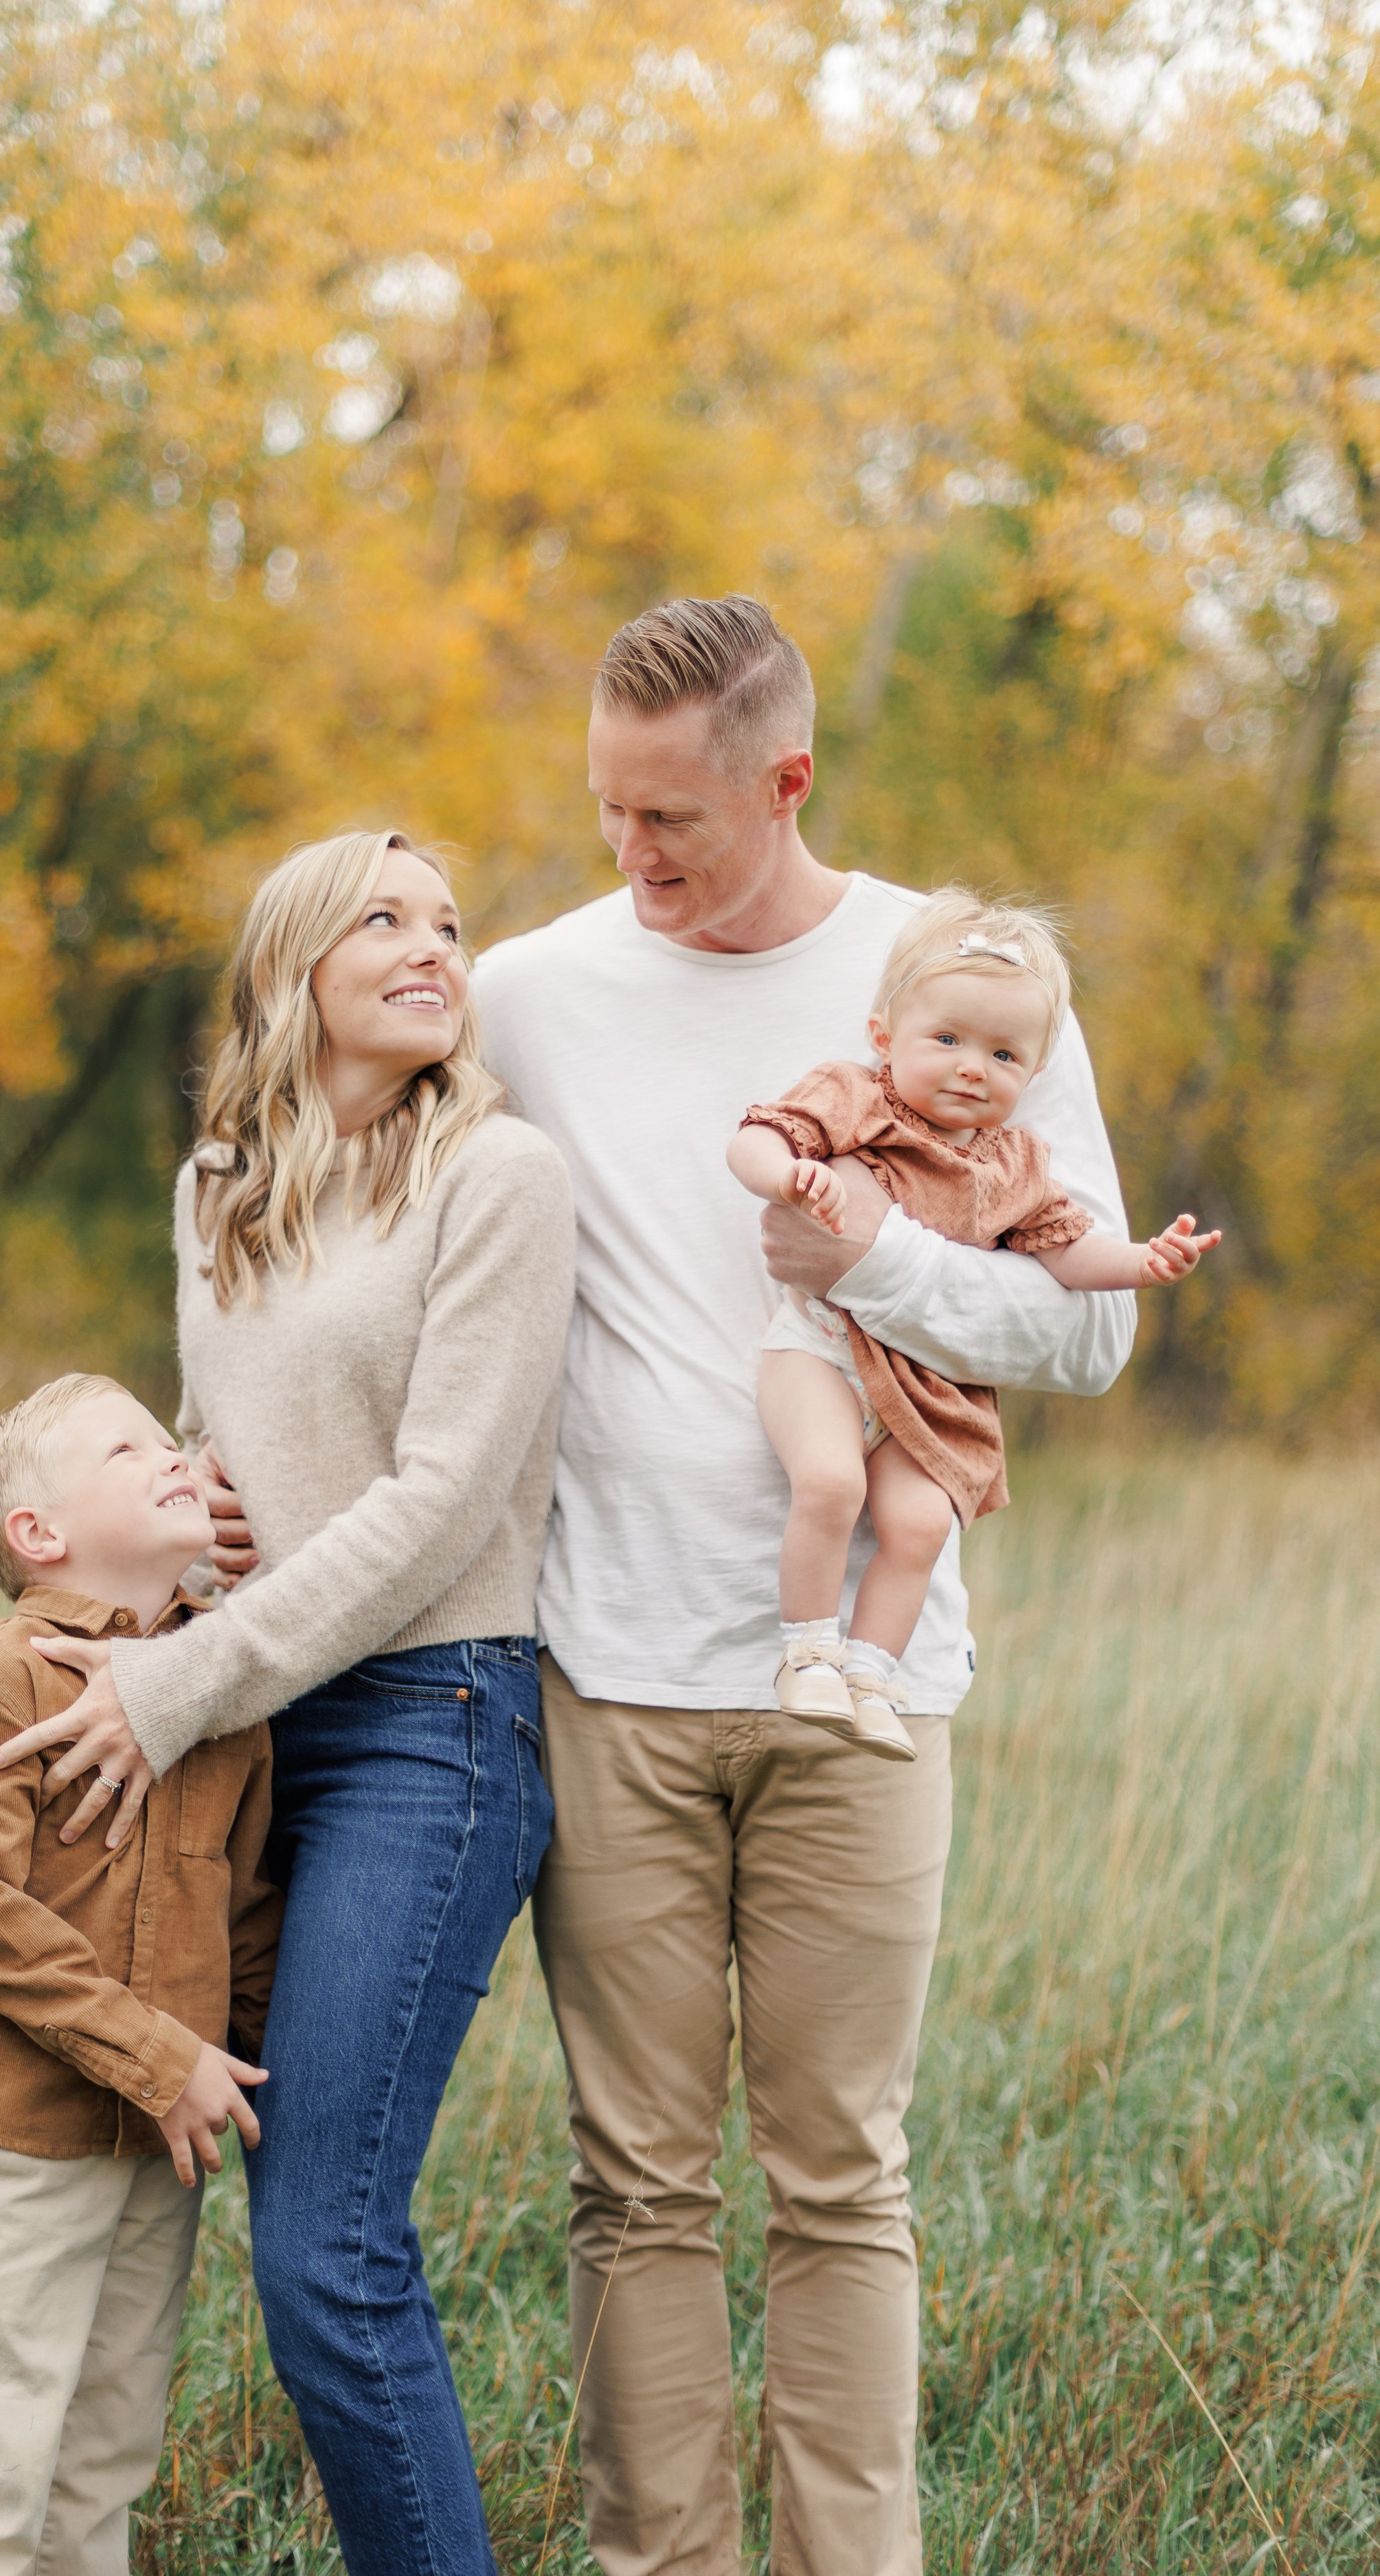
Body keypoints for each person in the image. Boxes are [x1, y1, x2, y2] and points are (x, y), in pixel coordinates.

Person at [471, 597, 1137, 2576]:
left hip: (864, 1680)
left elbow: (1089, 1328)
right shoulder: (526, 993)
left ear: (787, 782)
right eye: (606, 808)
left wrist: (871, 1265)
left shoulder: (962, 980)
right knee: (634, 2182)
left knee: (842, 2175)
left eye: (670, 816)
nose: (630, 851)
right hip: (610, 1670)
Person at [0, 831, 577, 2576]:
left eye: (448, 923)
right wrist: (198, 1504)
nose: (433, 945)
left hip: (424, 1722)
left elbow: (445, 1499)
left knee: (326, 2244)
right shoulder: (219, 1183)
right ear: (289, 969)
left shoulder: (499, 1174)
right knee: (161, 2183)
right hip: (246, 1725)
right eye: (383, 919)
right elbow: (219, 1440)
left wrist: (178, 1678)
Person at [0, 1371, 281, 2576]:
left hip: (160, 2153)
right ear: (39, 1532)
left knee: (105, 2456)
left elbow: (247, 1908)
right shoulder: (5, 1678)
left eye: (167, 1439)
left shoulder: (220, 1686)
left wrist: (240, 2059)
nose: (170, 1455)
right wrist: (164, 2059)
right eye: (125, 1449)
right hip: (25, 2144)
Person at [728, 884, 1219, 1759]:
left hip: (926, 1386)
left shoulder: (1015, 1165)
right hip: (822, 1352)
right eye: (947, 1040)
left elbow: (1067, 1253)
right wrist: (787, 1177)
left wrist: (1143, 1261)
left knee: (921, 1525)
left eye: (1002, 1054)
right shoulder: (855, 1097)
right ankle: (808, 1656)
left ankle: (872, 1674)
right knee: (831, 1482)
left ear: (1033, 1073)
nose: (971, 1068)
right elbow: (757, 1137)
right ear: (886, 1036)